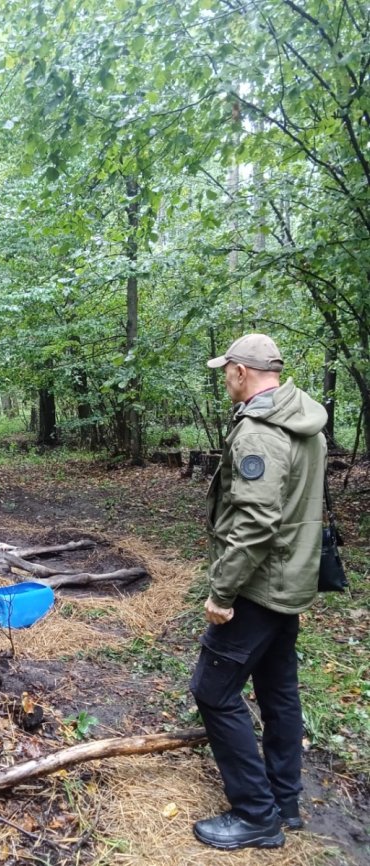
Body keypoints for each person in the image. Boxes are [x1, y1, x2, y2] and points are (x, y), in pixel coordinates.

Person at [190, 334, 327, 851]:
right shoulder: (303, 421)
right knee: (277, 691)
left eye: (226, 370)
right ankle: (285, 801)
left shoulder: (259, 431)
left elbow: (255, 524)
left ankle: (255, 815)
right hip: (290, 581)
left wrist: (222, 592)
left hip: (258, 586)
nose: (224, 377)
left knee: (213, 690)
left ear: (243, 372)